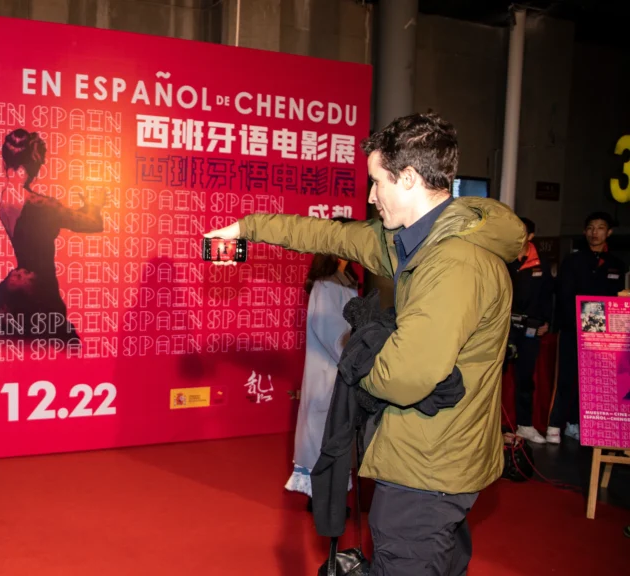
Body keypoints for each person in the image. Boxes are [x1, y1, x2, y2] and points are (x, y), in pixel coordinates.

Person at [204, 113, 524, 576]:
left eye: (378, 182)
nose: (371, 197)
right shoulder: (410, 241)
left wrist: (361, 357)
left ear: (410, 178)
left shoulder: (455, 262)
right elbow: (330, 234)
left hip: (427, 468)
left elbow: (402, 376)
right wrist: (246, 229)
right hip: (425, 455)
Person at [0, 129, 107, 345]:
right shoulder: (42, 205)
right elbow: (93, 224)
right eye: (40, 165)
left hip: (19, 284)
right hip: (41, 288)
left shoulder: (6, 198)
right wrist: (95, 204)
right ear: (33, 165)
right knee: (54, 352)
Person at [285, 222, 359, 509]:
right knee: (323, 434)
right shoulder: (327, 286)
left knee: (336, 434)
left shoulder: (344, 282)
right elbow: (331, 332)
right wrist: (356, 357)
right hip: (330, 373)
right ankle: (322, 495)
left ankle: (333, 492)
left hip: (340, 372)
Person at [551, 212, 627, 442]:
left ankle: (581, 424)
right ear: (585, 232)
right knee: (567, 378)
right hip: (573, 330)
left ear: (609, 232)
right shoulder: (573, 261)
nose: (595, 233)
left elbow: (618, 300)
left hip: (605, 337)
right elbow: (565, 296)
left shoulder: (617, 264)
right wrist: (584, 325)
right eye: (591, 228)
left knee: (596, 383)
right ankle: (555, 425)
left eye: (600, 228)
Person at [506, 217, 554, 444]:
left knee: (525, 379)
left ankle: (525, 425)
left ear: (531, 236)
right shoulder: (502, 258)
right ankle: (486, 426)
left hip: (531, 330)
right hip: (503, 328)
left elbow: (549, 296)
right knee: (492, 377)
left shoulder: (542, 263)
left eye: (522, 231)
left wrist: (546, 322)